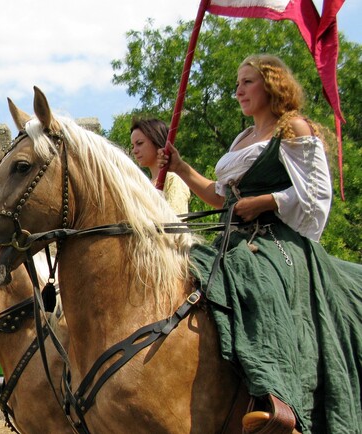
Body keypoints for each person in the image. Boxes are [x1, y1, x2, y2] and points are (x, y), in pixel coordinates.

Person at [157, 54, 362, 433]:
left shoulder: (294, 130)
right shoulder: (243, 139)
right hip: (232, 240)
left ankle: (278, 403)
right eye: (237, 83)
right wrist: (182, 169)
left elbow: (317, 196)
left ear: (271, 85)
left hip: (278, 241)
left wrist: (266, 202)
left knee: (260, 289)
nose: (238, 90)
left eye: (247, 82)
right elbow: (220, 199)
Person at [130, 118, 190, 214]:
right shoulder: (142, 186)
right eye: (132, 146)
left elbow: (176, 223)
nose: (134, 151)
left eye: (139, 143)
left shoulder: (173, 179)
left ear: (156, 141)